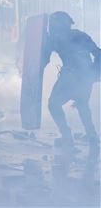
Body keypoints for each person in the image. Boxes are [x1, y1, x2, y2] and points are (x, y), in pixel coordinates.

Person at [42, 11, 100, 149]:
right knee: (82, 105)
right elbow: (98, 53)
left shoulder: (55, 39)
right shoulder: (81, 35)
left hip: (70, 77)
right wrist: (95, 73)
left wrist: (43, 43)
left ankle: (67, 137)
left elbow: (44, 60)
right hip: (86, 76)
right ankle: (92, 136)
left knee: (53, 104)